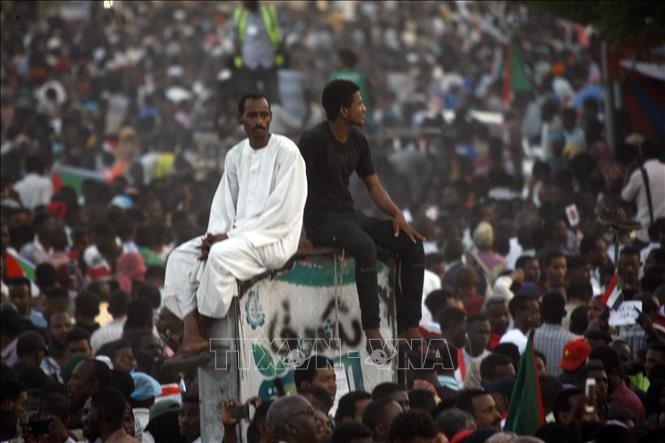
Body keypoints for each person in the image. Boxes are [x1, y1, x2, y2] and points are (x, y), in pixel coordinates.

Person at [163, 94, 307, 368]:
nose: (259, 122)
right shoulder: (235, 155)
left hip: (274, 240)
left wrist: (227, 239)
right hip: (237, 237)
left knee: (219, 257)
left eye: (264, 115)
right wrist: (214, 236)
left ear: (270, 117)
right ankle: (192, 334)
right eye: (252, 116)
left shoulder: (287, 152)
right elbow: (224, 207)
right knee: (180, 258)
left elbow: (282, 214)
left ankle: (199, 330)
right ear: (240, 119)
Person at [298, 79, 425, 355]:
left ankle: (410, 326)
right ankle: (372, 329)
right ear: (344, 110)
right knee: (365, 246)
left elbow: (374, 188)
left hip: (348, 215)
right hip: (322, 221)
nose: (364, 109)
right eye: (359, 103)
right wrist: (299, 234)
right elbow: (294, 188)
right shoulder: (313, 140)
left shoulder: (358, 140)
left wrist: (397, 214)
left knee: (412, 244)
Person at [232, 1, 285, 103]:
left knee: (273, 99)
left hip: (268, 61)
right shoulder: (240, 14)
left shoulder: (269, 12)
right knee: (249, 100)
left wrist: (280, 56)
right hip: (248, 63)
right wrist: (238, 59)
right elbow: (235, 37)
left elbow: (280, 34)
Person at [621, 137, 665, 245]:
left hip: (645, 232)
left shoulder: (639, 174)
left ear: (642, 153)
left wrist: (627, 173)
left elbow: (625, 197)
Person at [533, 291, 579, 375]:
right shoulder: (574, 340)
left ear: (541, 312)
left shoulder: (531, 335)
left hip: (537, 387)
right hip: (563, 387)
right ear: (563, 314)